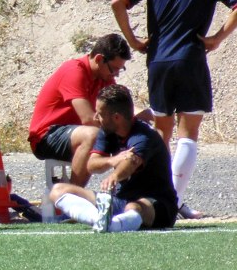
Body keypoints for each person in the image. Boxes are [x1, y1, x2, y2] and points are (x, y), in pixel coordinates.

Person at [111, 0, 237, 219]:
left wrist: (133, 40)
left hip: (159, 60)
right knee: (188, 133)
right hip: (191, 58)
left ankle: (159, 197)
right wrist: (217, 38)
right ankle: (173, 200)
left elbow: (117, 1)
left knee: (161, 133)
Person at [49, 84, 178, 233]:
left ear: (116, 117)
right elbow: (91, 165)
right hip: (121, 199)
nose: (95, 117)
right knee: (58, 190)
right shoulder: (107, 132)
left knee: (134, 207)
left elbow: (130, 163)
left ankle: (114, 225)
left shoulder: (143, 136)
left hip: (156, 203)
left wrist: (115, 176)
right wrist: (112, 160)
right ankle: (99, 220)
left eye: (100, 114)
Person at [28, 33, 133, 186]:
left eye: (120, 69)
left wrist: (145, 116)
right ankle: (73, 194)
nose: (116, 74)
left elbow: (121, 105)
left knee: (133, 136)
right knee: (94, 134)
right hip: (47, 135)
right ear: (99, 59)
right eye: (114, 69)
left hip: (74, 133)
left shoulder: (104, 76)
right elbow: (88, 119)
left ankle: (128, 193)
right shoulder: (74, 71)